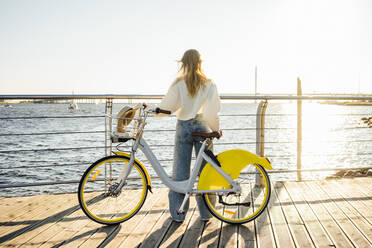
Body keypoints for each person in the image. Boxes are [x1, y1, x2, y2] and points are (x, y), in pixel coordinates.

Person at [158, 49, 221, 222]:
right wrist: (215, 129)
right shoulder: (209, 83)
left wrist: (154, 112)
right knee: (206, 172)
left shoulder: (178, 83)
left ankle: (178, 214)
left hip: (183, 127)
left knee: (180, 172)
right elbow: (211, 112)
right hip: (202, 126)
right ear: (200, 63)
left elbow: (168, 108)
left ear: (183, 63)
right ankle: (207, 213)